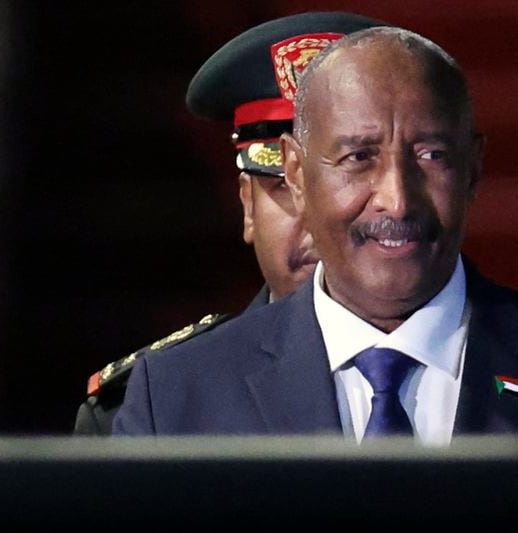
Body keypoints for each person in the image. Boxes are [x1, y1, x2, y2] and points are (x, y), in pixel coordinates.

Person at [112, 26, 518, 442]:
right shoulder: (178, 398)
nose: (397, 199)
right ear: (295, 175)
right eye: (358, 158)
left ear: (474, 169)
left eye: (431, 155)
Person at [73, 12, 382, 435]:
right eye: (283, 186)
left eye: (347, 177)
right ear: (247, 207)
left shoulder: (497, 352)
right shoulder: (154, 411)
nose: (317, 217)